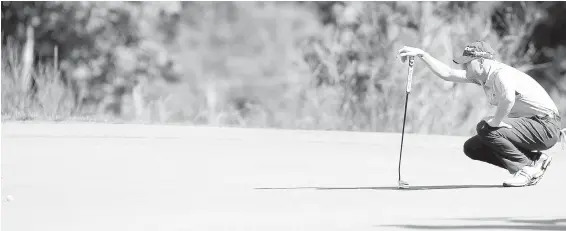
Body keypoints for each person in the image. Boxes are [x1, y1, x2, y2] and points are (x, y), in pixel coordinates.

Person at [397, 41, 565, 187]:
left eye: (467, 63)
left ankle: (526, 168)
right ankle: (536, 160)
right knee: (473, 147)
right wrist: (422, 54)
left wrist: (497, 122)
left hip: (545, 127)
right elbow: (447, 73)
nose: (464, 67)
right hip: (533, 127)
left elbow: (508, 98)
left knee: (486, 127)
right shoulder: (483, 76)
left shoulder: (500, 73)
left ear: (482, 61)